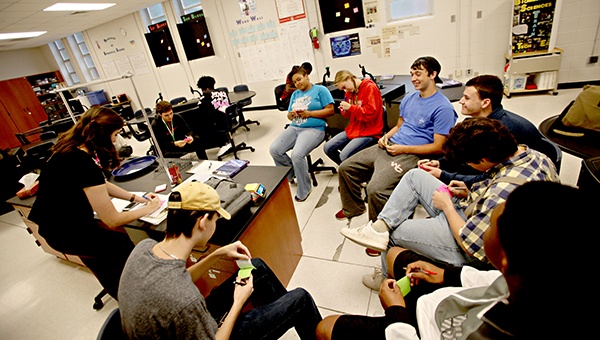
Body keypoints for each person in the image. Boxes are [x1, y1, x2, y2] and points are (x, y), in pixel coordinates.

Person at [318, 181, 592, 340]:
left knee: (325, 327)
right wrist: (445, 275)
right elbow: (490, 280)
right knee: (393, 254)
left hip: (418, 329)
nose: (486, 220)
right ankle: (381, 232)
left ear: (505, 261)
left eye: (492, 222)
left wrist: (396, 313)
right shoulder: (533, 279)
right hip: (451, 298)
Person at [341, 118, 560, 289]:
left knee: (397, 232)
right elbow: (492, 188)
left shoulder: (503, 192)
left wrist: (447, 205)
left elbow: (472, 244)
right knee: (414, 176)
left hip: (474, 246)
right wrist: (470, 193)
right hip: (478, 212)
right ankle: (380, 227)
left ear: (483, 159)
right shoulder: (532, 155)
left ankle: (386, 277)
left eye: (468, 162)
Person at [119, 181, 322, 339]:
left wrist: (218, 254)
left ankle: (280, 317)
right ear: (203, 221)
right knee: (300, 299)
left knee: (256, 267)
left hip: (173, 329)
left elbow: (179, 277)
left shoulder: (144, 249)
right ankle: (291, 317)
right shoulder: (185, 300)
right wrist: (238, 302)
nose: (215, 225)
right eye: (216, 220)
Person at [28, 107, 162, 299]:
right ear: (101, 135)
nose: (116, 140)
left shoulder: (68, 148)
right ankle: (135, 299)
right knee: (122, 246)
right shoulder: (81, 162)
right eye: (114, 135)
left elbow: (100, 183)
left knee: (105, 262)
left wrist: (136, 198)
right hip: (67, 233)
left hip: (54, 229)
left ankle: (120, 290)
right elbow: (112, 220)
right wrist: (148, 209)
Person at [336, 56, 457, 222]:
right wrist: (386, 137)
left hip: (410, 153)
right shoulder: (409, 98)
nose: (413, 78)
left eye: (418, 74)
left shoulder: (443, 108)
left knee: (376, 189)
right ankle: (353, 208)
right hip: (391, 145)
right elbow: (399, 126)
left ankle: (381, 230)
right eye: (412, 74)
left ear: (433, 74)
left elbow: (439, 147)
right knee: (345, 167)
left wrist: (403, 149)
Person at [419, 74, 546, 187]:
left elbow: (483, 177)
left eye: (467, 98)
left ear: (485, 103)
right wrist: (439, 163)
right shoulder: (490, 124)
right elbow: (468, 156)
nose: (461, 101)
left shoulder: (500, 133)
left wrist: (443, 175)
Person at [270, 65, 335, 202]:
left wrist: (309, 114)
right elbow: (288, 115)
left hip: (314, 129)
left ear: (306, 76)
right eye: (295, 82)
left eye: (299, 79)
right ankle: (292, 173)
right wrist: (291, 115)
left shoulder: (320, 90)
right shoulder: (295, 94)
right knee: (275, 149)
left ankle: (304, 189)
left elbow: (330, 110)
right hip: (295, 127)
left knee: (297, 154)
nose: (297, 83)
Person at [323, 70, 384, 165]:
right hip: (356, 128)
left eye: (344, 87)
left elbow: (370, 114)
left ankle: (354, 172)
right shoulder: (349, 92)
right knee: (328, 148)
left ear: (349, 78)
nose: (345, 91)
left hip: (370, 131)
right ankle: (350, 171)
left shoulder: (370, 88)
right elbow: (347, 115)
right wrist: (345, 110)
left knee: (344, 156)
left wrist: (351, 108)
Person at [197, 75, 235, 157]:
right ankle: (226, 140)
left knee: (199, 125)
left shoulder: (206, 94)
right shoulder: (223, 92)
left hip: (218, 124)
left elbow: (199, 106)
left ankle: (222, 143)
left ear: (205, 89)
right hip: (230, 120)